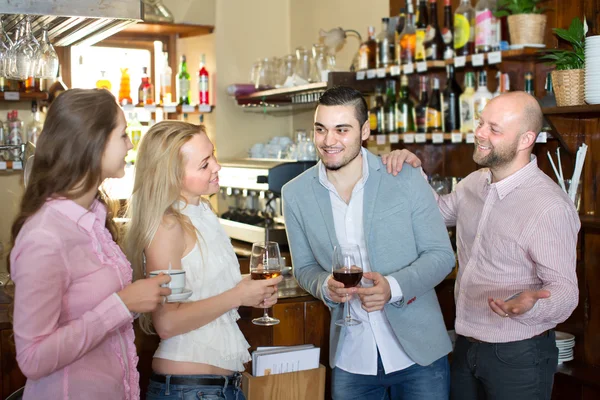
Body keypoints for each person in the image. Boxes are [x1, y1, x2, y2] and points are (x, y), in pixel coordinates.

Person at [383, 91, 580, 400]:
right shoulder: (475, 182)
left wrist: (534, 303)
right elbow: (435, 215)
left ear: (527, 139)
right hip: (466, 345)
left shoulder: (548, 206)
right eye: (480, 123)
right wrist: (413, 171)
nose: (479, 133)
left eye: (494, 129)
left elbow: (567, 292)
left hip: (519, 355)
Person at [282, 86, 456, 400]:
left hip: (419, 356)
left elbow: (442, 255)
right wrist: (325, 286)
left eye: (341, 130)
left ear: (365, 130)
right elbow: (304, 267)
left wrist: (393, 286)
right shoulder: (295, 193)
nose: (328, 141)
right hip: (351, 359)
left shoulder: (403, 177)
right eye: (320, 129)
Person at [9, 89, 172, 400]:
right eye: (123, 135)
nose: (130, 144)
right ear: (94, 142)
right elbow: (33, 358)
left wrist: (136, 300)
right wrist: (123, 304)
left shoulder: (94, 220)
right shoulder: (45, 236)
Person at [124, 121, 282, 400]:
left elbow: (206, 289)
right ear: (172, 176)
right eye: (204, 164)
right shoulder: (167, 226)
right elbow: (167, 323)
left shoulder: (203, 211)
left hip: (218, 387)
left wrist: (249, 290)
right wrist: (238, 295)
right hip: (190, 389)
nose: (217, 167)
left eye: (214, 156)